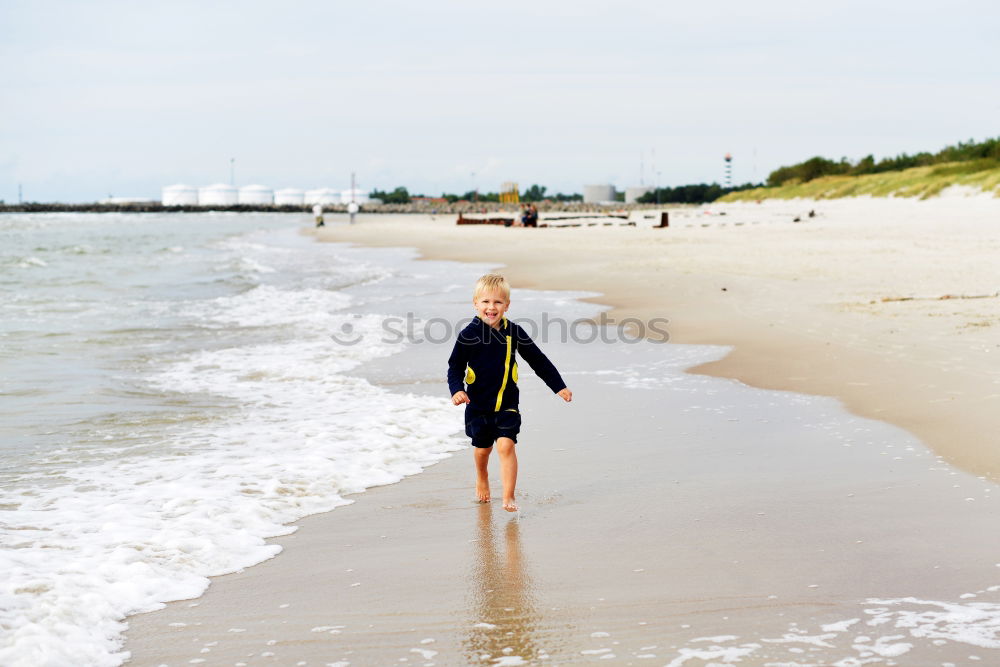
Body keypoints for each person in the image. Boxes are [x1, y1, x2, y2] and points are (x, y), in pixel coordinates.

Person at [447, 274, 572, 511]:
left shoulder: (514, 332)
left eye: (497, 302)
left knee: (506, 445)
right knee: (483, 449)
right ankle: (482, 477)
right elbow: (455, 367)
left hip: (507, 403)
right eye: (485, 302)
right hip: (478, 405)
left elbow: (538, 360)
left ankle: (508, 496)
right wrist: (457, 390)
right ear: (475, 303)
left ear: (507, 305)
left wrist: (559, 386)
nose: (491, 307)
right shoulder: (468, 335)